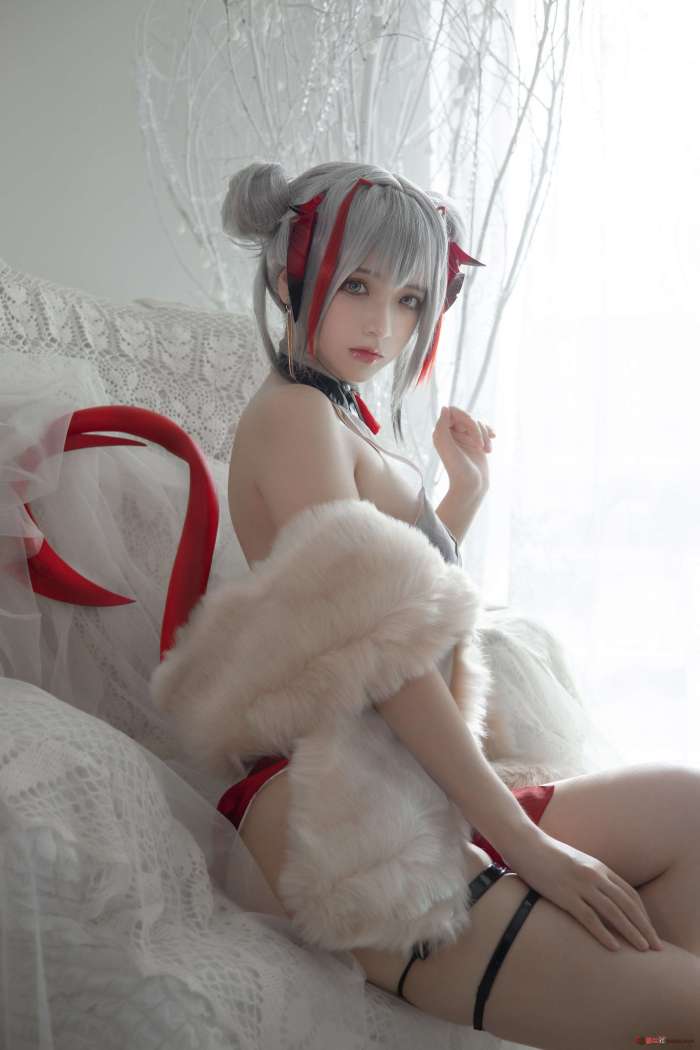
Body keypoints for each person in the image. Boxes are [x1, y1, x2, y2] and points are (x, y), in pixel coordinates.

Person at [174, 160, 700, 1044]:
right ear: (287, 275)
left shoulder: (340, 418)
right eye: (357, 286)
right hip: (350, 811)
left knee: (688, 811)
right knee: (686, 1003)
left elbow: (407, 601)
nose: (384, 324)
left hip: (415, 775)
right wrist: (529, 847)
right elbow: (383, 654)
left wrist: (464, 495)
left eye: (411, 299)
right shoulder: (295, 418)